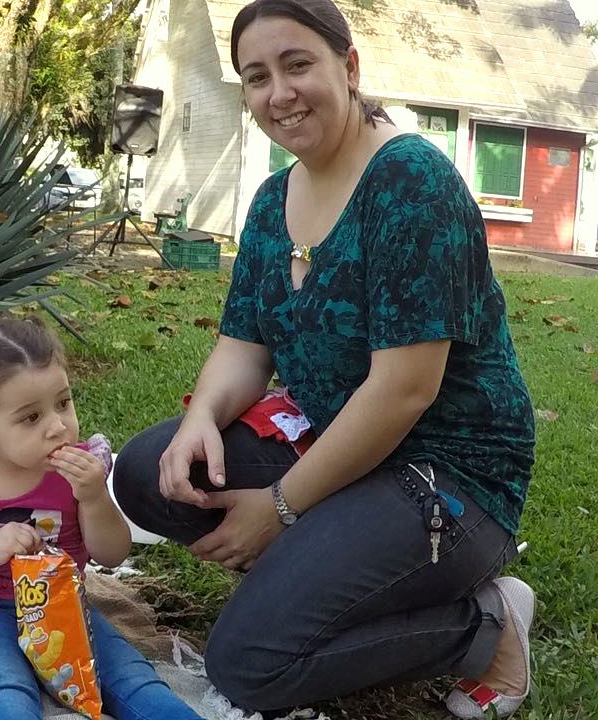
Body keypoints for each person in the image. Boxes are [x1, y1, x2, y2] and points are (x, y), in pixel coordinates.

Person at [111, 0, 537, 717]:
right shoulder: (274, 197)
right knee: (148, 474)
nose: (279, 93)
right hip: (338, 447)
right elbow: (244, 344)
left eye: (297, 64)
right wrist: (201, 420)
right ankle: (325, 576)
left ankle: (486, 625)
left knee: (249, 663)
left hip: (445, 474)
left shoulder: (410, 183)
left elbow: (403, 392)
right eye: (256, 76)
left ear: (349, 66)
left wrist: (280, 509)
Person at [0, 317, 202, 720]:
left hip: (63, 605)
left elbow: (113, 554)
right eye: (31, 418)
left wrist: (94, 497)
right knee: (4, 687)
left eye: (63, 403)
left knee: (132, 679)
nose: (58, 426)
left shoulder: (80, 471)